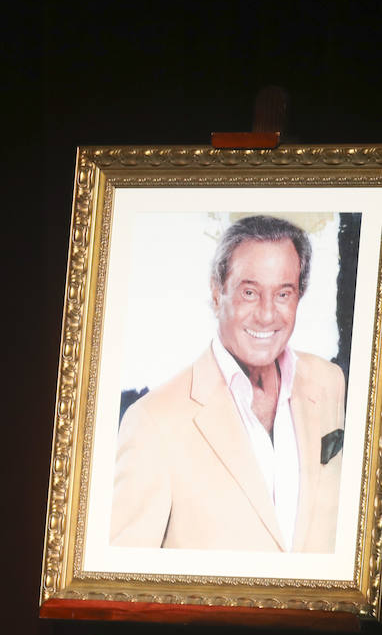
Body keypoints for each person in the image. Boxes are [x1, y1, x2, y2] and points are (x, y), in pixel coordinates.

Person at [111, 214, 346, 552]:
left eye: (283, 294)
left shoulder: (329, 382)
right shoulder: (151, 423)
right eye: (249, 292)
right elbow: (123, 582)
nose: (267, 315)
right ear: (217, 291)